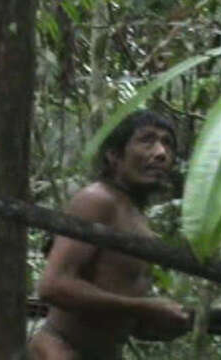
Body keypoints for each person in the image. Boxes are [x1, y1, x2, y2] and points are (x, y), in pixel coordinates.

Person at [29, 110, 190, 359]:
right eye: (147, 140)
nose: (161, 153)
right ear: (114, 156)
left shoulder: (136, 217)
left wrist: (155, 322)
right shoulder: (97, 200)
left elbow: (114, 311)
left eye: (167, 143)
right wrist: (142, 307)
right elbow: (53, 285)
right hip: (60, 351)